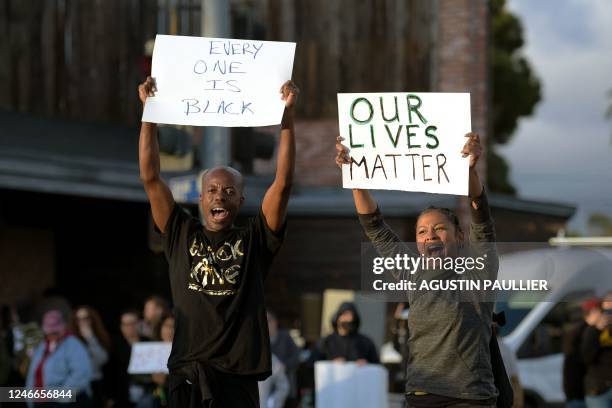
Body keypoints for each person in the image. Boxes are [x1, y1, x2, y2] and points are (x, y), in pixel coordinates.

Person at [137, 76, 299, 407]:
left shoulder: (256, 239)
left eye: (228, 191)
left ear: (241, 199)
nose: (220, 197)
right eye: (212, 190)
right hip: (188, 373)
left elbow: (282, 182)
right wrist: (149, 113)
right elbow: (150, 177)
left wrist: (287, 117)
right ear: (200, 198)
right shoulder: (181, 231)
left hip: (237, 377)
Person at [336, 132, 499, 407]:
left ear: (459, 237)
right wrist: (355, 179)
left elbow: (481, 218)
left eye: (439, 229)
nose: (429, 235)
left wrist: (470, 170)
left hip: (471, 398)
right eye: (422, 231)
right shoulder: (412, 271)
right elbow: (375, 227)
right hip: (422, 395)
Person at [25, 309, 93, 407]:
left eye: (55, 332)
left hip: (64, 402)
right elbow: (33, 374)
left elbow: (81, 373)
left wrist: (61, 395)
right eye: (48, 332)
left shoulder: (72, 344)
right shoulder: (43, 346)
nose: (51, 335)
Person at [107, 310, 152, 408]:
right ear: (121, 326)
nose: (129, 327)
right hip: (122, 395)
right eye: (125, 324)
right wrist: (110, 397)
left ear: (138, 324)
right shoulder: (114, 346)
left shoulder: (148, 342)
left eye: (132, 323)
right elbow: (110, 372)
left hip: (148, 394)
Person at [563, 298, 601, 408]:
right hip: (579, 393)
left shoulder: (575, 331)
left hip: (580, 392)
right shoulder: (582, 332)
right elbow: (583, 359)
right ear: (594, 312)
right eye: (601, 311)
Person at [314, 302, 379, 365]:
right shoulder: (325, 342)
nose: (349, 319)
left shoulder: (366, 343)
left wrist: (367, 365)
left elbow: (377, 366)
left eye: (352, 315)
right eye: (345, 315)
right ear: (337, 318)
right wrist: (331, 364)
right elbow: (312, 365)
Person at [74, 306, 111, 408]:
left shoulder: (99, 336)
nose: (82, 322)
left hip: (95, 382)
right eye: (79, 319)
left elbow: (103, 360)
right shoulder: (72, 339)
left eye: (85, 318)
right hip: (77, 385)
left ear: (92, 319)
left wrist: (91, 339)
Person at [582, 292, 612, 407]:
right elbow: (587, 358)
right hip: (599, 391)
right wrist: (598, 330)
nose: (609, 316)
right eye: (607, 312)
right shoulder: (592, 331)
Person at [267, 310, 300, 402]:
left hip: (286, 384)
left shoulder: (285, 337)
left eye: (268, 320)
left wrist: (285, 365)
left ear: (275, 322)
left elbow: (296, 357)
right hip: (266, 389)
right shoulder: (259, 340)